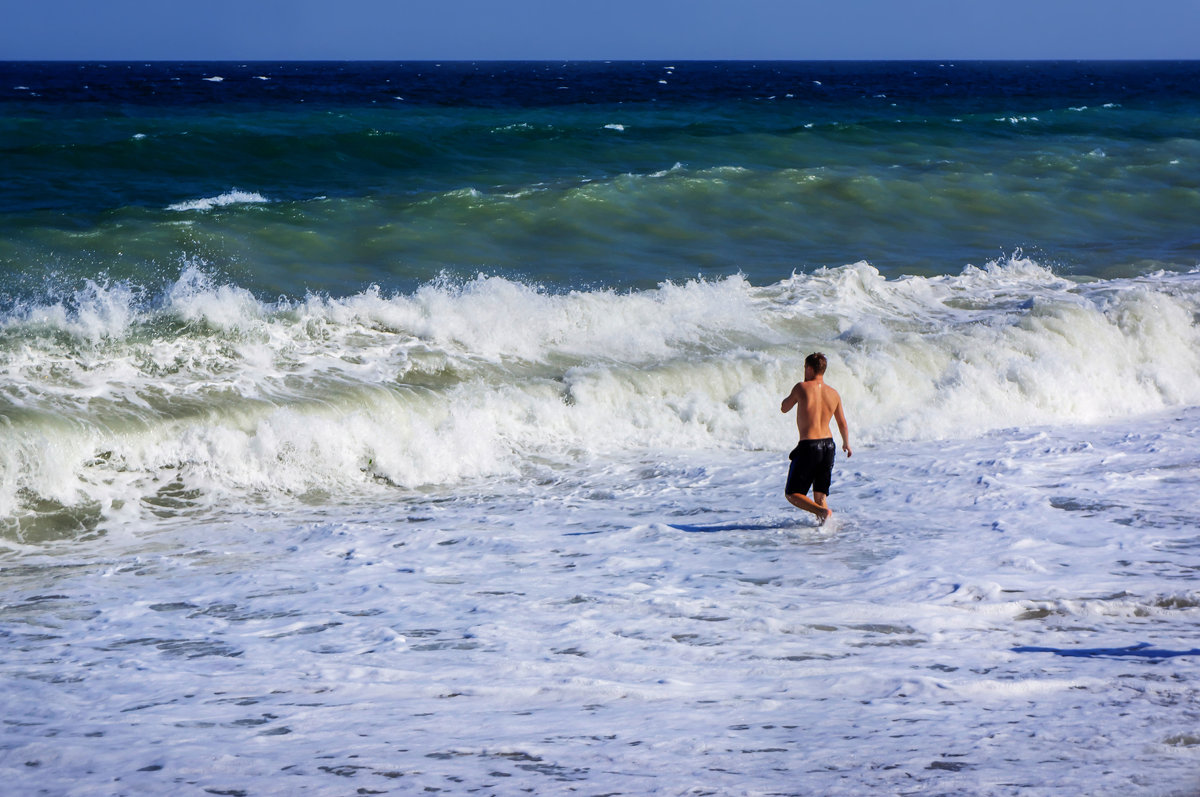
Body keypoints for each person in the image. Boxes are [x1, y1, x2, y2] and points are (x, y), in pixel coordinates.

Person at [780, 352, 851, 524]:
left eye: (805, 368)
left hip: (809, 446)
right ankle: (824, 533)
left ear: (810, 369)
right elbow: (842, 422)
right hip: (829, 446)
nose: (804, 371)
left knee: (792, 494)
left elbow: (784, 408)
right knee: (819, 495)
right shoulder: (833, 393)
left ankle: (822, 512)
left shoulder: (801, 387)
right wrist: (846, 443)